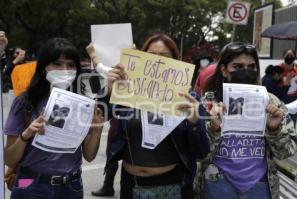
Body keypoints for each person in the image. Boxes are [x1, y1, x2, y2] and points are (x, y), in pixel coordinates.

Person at [98, 32, 210, 199]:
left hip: (173, 184)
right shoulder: (127, 91)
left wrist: (195, 123)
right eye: (151, 56)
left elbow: (201, 152)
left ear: (175, 61)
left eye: (164, 56)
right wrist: (108, 90)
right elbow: (99, 115)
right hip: (130, 183)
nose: (158, 61)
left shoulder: (188, 98)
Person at [194, 42, 297, 199]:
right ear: (223, 70)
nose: (245, 71)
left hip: (259, 185)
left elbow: (286, 152)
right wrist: (213, 128)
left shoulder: (272, 103)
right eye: (237, 66)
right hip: (218, 183)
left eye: (251, 67)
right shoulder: (208, 104)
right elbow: (196, 153)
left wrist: (274, 130)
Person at [4, 38, 103, 199]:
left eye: (70, 65)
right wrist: (27, 134)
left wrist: (97, 130)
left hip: (72, 186)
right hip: (28, 182)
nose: (64, 70)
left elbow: (90, 156)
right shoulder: (25, 101)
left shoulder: (82, 103)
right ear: (44, 67)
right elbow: (9, 158)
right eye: (57, 64)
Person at [86, 43, 119, 197]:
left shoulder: (129, 70)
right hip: (118, 120)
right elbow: (97, 100)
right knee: (112, 152)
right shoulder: (111, 76)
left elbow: (101, 69)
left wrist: (93, 56)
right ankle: (108, 185)